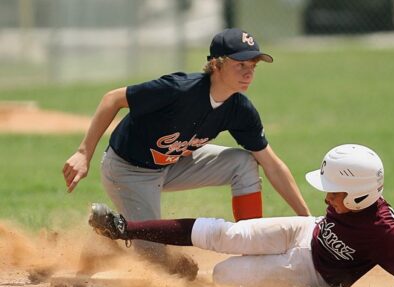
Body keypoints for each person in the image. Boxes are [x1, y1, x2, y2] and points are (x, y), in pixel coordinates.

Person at [62, 28, 310, 271]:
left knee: (243, 162)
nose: (248, 73)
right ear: (216, 64)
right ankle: (108, 236)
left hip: (172, 163)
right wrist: (84, 153)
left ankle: (251, 246)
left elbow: (272, 164)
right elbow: (113, 99)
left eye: (252, 66)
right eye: (240, 65)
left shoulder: (240, 109)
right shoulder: (179, 90)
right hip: (129, 170)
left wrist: (307, 220)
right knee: (156, 261)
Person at [88, 144, 394, 287]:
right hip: (305, 231)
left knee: (224, 274)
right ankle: (122, 228)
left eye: (334, 192)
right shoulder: (351, 202)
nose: (327, 197)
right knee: (224, 234)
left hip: (312, 274)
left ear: (359, 195)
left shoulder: (382, 232)